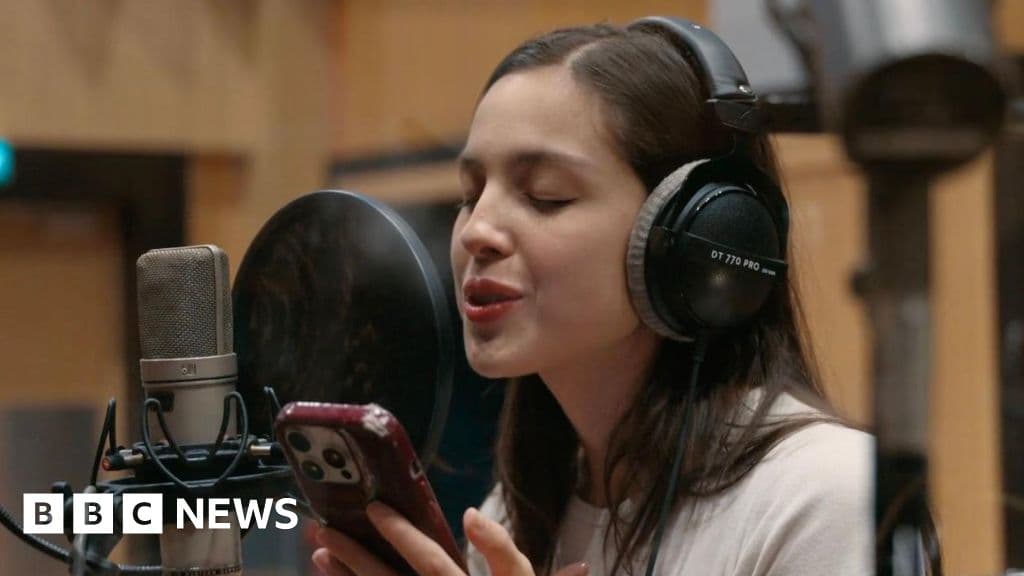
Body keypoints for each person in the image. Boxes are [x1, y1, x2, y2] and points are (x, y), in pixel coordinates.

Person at [312, 20, 872, 576]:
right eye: (471, 193)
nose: (475, 230)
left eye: (545, 196)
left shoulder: (826, 496)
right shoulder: (510, 517)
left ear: (699, 240)